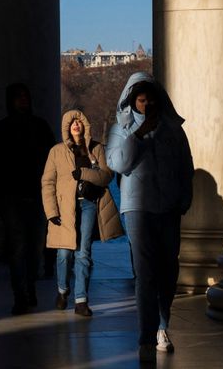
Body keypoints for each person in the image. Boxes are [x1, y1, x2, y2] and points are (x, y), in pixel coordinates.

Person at [106, 73, 193, 364]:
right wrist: (140, 135)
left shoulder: (172, 128)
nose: (147, 104)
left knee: (168, 269)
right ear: (132, 101)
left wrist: (185, 198)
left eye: (150, 99)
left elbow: (185, 166)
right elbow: (119, 163)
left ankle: (162, 324)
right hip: (137, 207)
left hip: (168, 206)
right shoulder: (121, 128)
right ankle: (147, 335)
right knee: (145, 273)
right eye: (142, 100)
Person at [0, 82, 56, 315]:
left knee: (35, 247)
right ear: (10, 101)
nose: (23, 100)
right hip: (11, 198)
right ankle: (20, 294)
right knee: (18, 247)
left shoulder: (40, 127)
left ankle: (29, 286)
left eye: (25, 96)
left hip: (37, 195)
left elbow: (54, 160)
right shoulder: (0, 130)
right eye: (18, 97)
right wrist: (0, 193)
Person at [42, 110, 124, 317]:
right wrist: (51, 211)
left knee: (84, 252)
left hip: (88, 205)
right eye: (72, 122)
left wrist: (85, 174)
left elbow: (107, 176)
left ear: (85, 125)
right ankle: (63, 290)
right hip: (64, 208)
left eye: (79, 121)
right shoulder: (56, 151)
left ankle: (81, 301)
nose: (76, 124)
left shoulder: (96, 149)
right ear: (66, 127)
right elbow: (47, 182)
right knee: (64, 254)